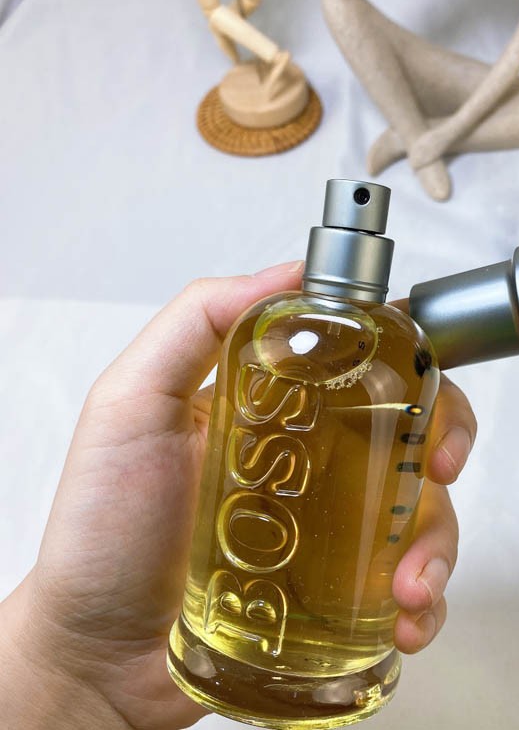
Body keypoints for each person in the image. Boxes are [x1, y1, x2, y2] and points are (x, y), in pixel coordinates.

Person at [0, 261, 477, 729]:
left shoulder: (384, 345)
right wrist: (66, 661)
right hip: (201, 632)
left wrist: (67, 672)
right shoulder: (264, 330)